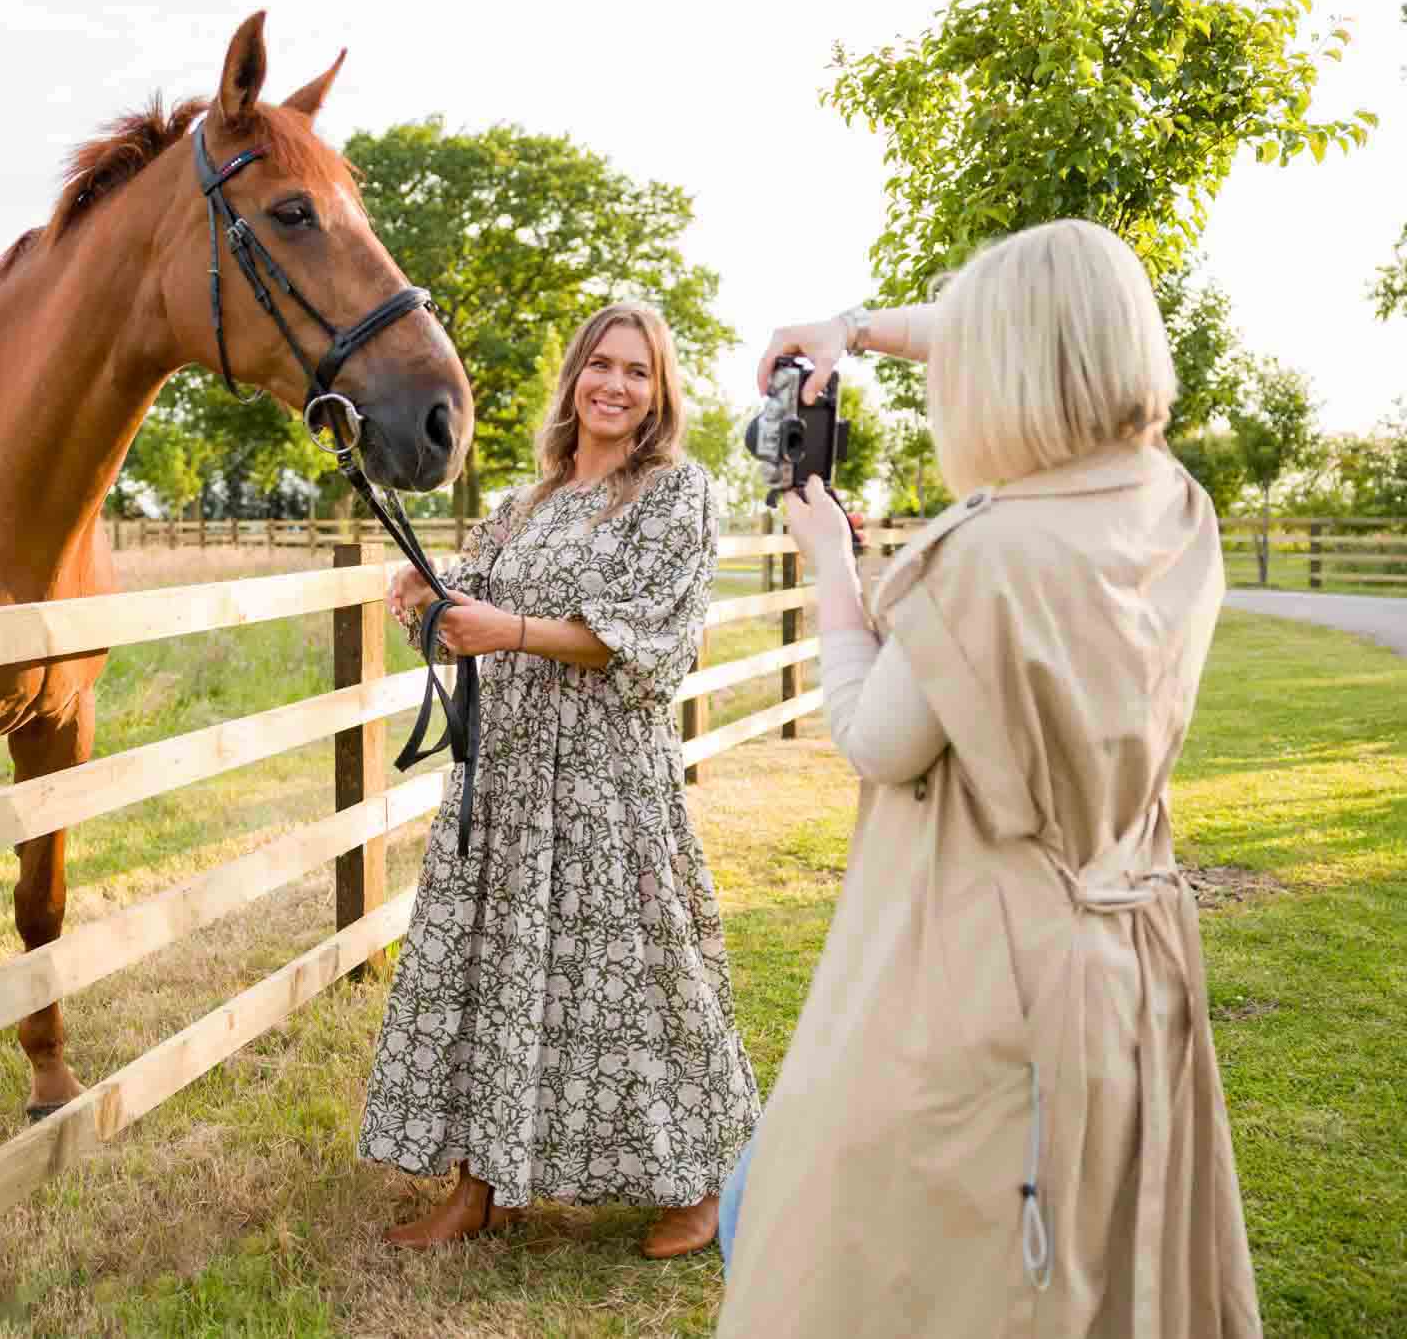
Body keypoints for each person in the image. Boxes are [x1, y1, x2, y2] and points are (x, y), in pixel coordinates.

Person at [714, 219, 1260, 1336]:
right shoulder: (1172, 509)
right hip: (1125, 957)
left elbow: (873, 736)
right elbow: (1040, 331)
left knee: (822, 1237)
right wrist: (852, 332)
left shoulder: (988, 552)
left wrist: (833, 566)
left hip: (977, 970)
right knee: (1086, 1270)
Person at [356, 302, 761, 1260]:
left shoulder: (675, 495)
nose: (616, 386)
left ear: (659, 393)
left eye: (639, 372)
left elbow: (650, 643)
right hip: (505, 776)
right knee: (494, 968)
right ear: (576, 376)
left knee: (640, 974)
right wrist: (426, 595)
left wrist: (513, 631)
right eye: (602, 366)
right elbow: (469, 604)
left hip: (604, 779)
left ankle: (697, 1185)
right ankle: (481, 1183)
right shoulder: (525, 502)